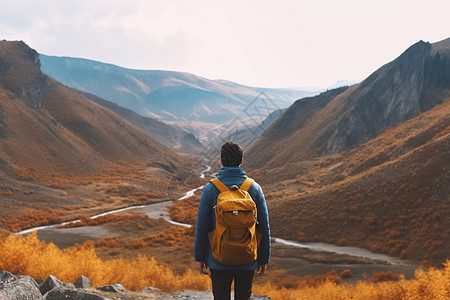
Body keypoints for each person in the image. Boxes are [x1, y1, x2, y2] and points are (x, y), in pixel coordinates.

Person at [194, 141, 271, 300]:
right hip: (248, 258)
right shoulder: (254, 188)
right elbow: (263, 227)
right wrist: (264, 259)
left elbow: (202, 227)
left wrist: (200, 257)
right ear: (241, 160)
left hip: (218, 259)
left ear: (221, 161)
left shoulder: (210, 189)